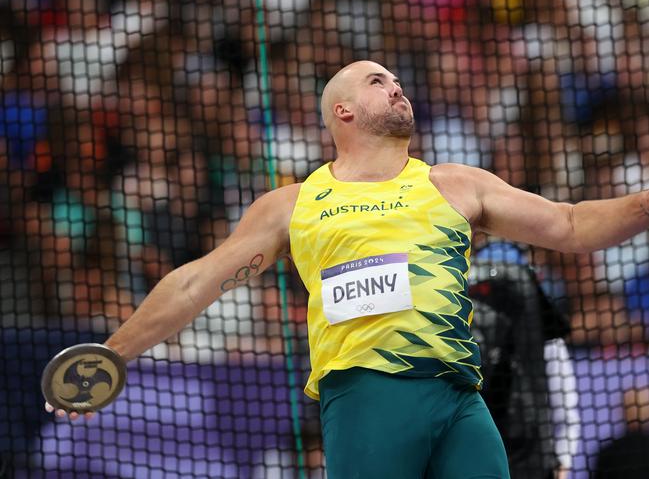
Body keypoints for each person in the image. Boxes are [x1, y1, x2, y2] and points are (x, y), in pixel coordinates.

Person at [46, 60, 649, 478]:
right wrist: (114, 354)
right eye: (377, 80)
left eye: (395, 79)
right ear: (342, 111)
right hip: (367, 392)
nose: (396, 87)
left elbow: (572, 225)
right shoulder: (293, 203)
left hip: (462, 397)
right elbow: (198, 280)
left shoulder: (455, 183)